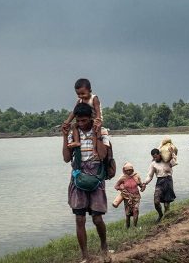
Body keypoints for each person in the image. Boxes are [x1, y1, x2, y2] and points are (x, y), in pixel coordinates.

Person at [62, 103, 111, 262]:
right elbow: (66, 158)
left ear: (91, 118)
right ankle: (85, 255)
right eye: (78, 121)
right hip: (79, 176)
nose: (81, 124)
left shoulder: (102, 131)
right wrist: (64, 137)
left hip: (96, 176)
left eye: (84, 120)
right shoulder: (73, 133)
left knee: (97, 218)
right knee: (79, 218)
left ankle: (104, 245)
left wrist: (96, 134)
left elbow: (103, 155)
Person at [62, 78, 103, 149]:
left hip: (95, 119)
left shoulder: (94, 98)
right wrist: (67, 122)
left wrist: (98, 120)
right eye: (78, 94)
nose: (81, 96)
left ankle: (94, 149)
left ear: (90, 91)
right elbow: (74, 112)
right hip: (85, 120)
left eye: (83, 94)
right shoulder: (80, 100)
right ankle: (77, 141)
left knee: (94, 130)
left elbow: (98, 111)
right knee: (74, 126)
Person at [142, 148, 177, 222]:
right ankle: (160, 215)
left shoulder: (167, 160)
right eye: (153, 157)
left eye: (156, 156)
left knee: (167, 204)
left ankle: (166, 218)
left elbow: (174, 163)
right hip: (159, 182)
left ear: (159, 154)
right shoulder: (153, 164)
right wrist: (145, 183)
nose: (155, 158)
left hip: (168, 181)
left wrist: (172, 153)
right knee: (156, 201)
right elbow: (150, 176)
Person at [112, 162, 143, 229]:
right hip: (127, 197)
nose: (128, 171)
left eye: (130, 170)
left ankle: (135, 226)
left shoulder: (136, 176)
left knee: (136, 210)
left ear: (132, 170)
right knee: (128, 213)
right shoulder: (122, 178)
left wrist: (143, 186)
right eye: (127, 170)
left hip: (136, 196)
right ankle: (127, 226)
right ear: (124, 171)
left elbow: (141, 185)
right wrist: (121, 189)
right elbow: (116, 186)